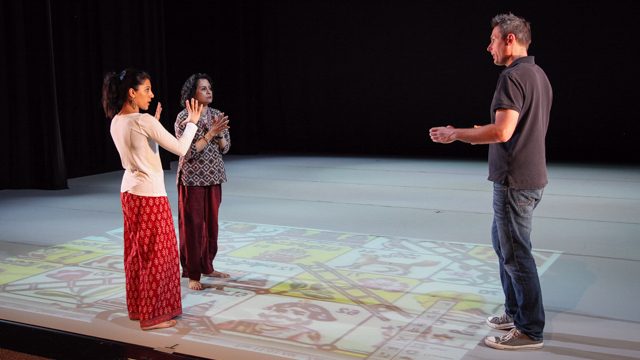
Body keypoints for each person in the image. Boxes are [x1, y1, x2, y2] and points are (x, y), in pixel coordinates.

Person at [429, 13, 552, 350]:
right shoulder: (538, 75)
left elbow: (502, 131)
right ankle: (515, 312)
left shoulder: (513, 78)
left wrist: (456, 134)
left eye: (494, 39)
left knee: (515, 254)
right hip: (528, 178)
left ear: (510, 39)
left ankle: (529, 330)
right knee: (504, 246)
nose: (489, 47)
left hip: (515, 181)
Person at [103, 68, 204, 330]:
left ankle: (139, 308)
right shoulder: (142, 121)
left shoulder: (117, 120)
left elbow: (142, 151)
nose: (151, 94)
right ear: (131, 93)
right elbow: (182, 148)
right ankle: (152, 316)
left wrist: (154, 125)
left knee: (137, 253)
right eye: (146, 89)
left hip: (130, 192)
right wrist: (193, 122)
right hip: (149, 195)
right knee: (158, 255)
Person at [174, 73, 230, 291]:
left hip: (214, 177)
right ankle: (191, 272)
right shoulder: (184, 117)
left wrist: (219, 133)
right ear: (193, 93)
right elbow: (188, 152)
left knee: (211, 226)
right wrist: (210, 134)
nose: (209, 92)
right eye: (203, 89)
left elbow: (225, 148)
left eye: (209, 88)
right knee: (193, 226)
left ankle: (207, 266)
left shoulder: (217, 114)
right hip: (192, 179)